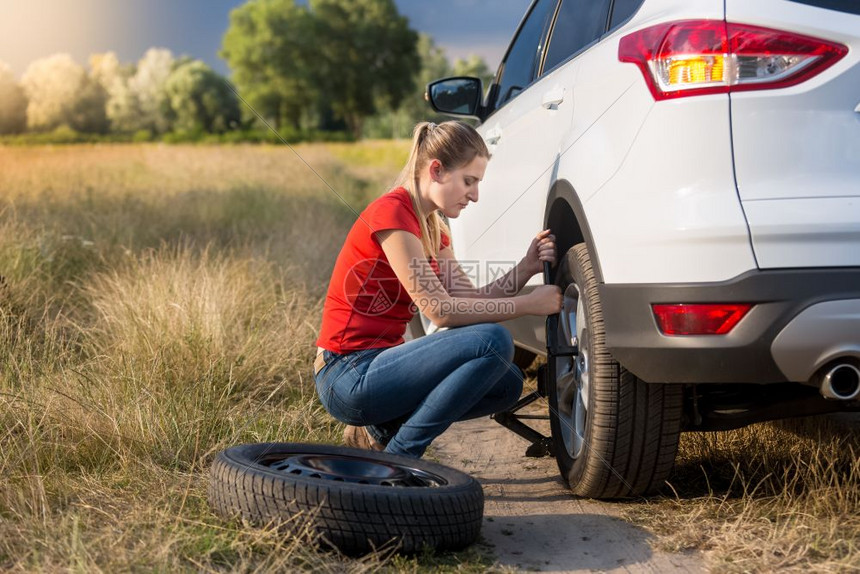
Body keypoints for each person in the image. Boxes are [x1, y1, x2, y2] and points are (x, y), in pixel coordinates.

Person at [313, 120, 563, 459]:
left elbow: (467, 299)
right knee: (493, 341)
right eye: (469, 181)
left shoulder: (433, 227)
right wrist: (528, 304)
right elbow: (441, 311)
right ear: (437, 170)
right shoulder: (392, 213)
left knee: (507, 383)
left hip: (377, 367)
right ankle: (401, 457)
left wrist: (526, 267)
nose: (474, 195)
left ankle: (379, 433)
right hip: (346, 374)